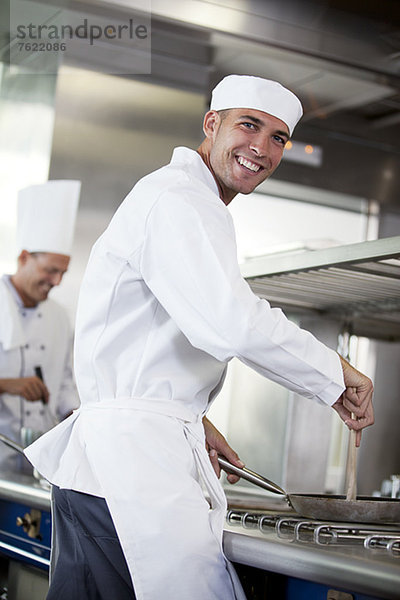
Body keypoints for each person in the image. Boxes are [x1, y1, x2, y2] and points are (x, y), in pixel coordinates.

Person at [25, 75, 374, 600]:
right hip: (133, 469)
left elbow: (149, 337)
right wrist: (334, 373)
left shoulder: (181, 198)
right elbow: (231, 320)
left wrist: (188, 416)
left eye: (278, 137)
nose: (261, 147)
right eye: (248, 126)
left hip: (112, 462)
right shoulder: (180, 199)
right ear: (212, 124)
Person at [0, 180, 81, 472]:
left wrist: (82, 421)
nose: (57, 282)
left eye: (62, 273)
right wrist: (8, 385)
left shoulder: (59, 317)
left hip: (41, 465)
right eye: (50, 270)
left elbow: (65, 387)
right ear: (23, 258)